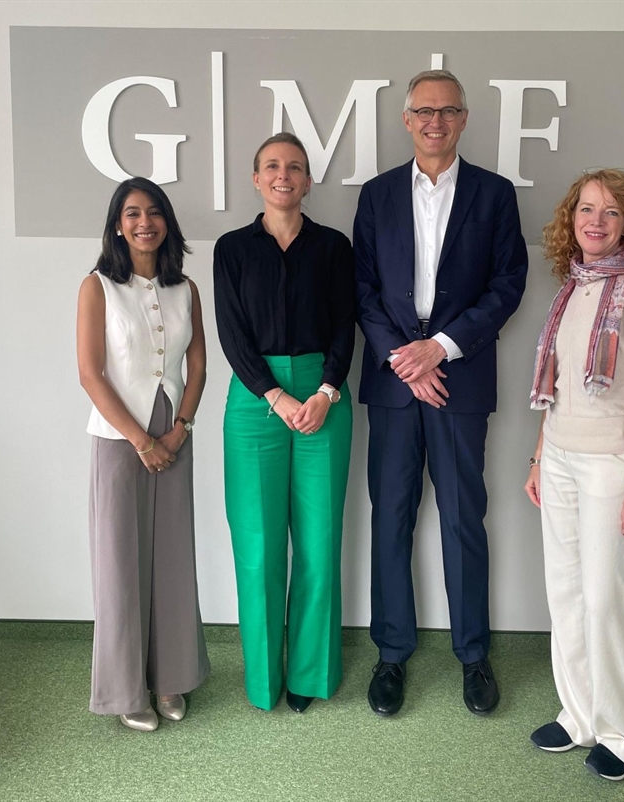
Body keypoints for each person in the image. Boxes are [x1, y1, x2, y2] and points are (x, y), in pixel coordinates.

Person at [354, 70, 528, 717]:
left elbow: (508, 284)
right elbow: (363, 292)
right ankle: (391, 654)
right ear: (406, 120)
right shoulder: (375, 197)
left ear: (462, 118)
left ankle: (473, 653)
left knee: (462, 521)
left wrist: (443, 347)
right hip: (396, 386)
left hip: (460, 379)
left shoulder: (494, 194)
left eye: (448, 111)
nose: (435, 121)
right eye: (424, 111)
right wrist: (407, 360)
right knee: (390, 518)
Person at [524, 169, 624, 780]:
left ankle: (620, 733)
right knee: (566, 594)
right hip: (559, 458)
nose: (595, 220)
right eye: (586, 209)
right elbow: (555, 389)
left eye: (611, 212)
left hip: (615, 466)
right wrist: (538, 457)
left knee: (611, 599)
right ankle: (580, 714)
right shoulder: (571, 288)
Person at [213, 132, 355, 713]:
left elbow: (348, 324)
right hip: (254, 400)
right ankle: (262, 678)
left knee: (319, 544)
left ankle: (309, 674)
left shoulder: (334, 246)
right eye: (272, 166)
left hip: (324, 395)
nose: (283, 175)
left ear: (308, 180)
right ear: (255, 178)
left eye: (294, 167)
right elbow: (230, 332)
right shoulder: (231, 248)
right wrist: (275, 395)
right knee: (259, 545)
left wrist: (325, 391)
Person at [77, 177, 210, 732]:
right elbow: (90, 373)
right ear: (117, 224)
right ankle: (125, 688)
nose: (144, 222)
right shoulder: (97, 286)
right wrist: (141, 440)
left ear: (167, 223)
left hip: (174, 431)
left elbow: (199, 365)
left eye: (154, 212)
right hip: (118, 437)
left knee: (173, 559)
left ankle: (171, 677)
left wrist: (179, 429)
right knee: (120, 564)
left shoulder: (187, 289)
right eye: (132, 213)